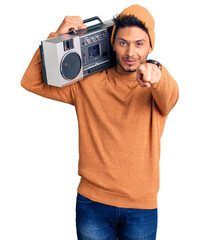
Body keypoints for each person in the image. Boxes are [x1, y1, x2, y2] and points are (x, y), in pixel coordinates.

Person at [21, 4, 179, 240]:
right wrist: (56, 38)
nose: (130, 52)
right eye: (123, 42)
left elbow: (170, 94)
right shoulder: (88, 83)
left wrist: (157, 72)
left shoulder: (156, 86)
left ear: (150, 46)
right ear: (112, 42)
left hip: (141, 207)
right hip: (92, 203)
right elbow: (31, 82)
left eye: (139, 43)